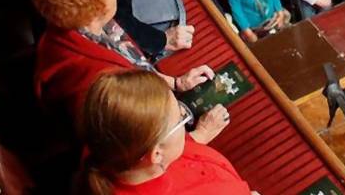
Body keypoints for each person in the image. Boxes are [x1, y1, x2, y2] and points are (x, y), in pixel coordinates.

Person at [31, 0, 212, 131]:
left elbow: (134, 66)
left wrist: (176, 83)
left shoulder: (80, 23)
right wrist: (200, 134)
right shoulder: (102, 82)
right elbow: (144, 142)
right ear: (96, 5)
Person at [77, 69, 251, 195]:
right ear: (157, 154)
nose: (184, 114)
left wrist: (199, 135)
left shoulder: (114, 150)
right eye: (181, 120)